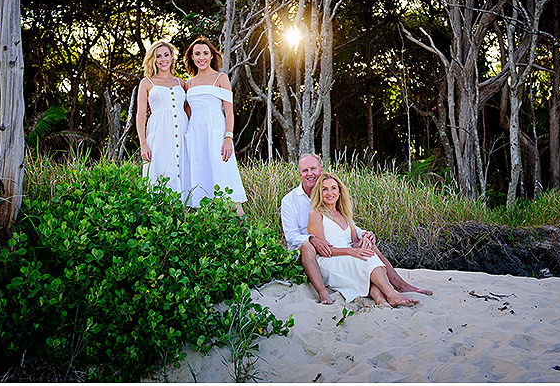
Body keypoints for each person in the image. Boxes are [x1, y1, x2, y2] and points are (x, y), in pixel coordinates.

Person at [280, 154, 432, 304]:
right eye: (305, 170)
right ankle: (323, 292)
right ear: (300, 173)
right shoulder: (290, 201)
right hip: (310, 252)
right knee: (308, 246)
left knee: (368, 247)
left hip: (335, 248)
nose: (310, 173)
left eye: (313, 168)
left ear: (320, 169)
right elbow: (291, 236)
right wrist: (311, 239)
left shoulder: (337, 208)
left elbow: (341, 227)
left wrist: (364, 234)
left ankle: (398, 287)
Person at [307, 173, 420, 307]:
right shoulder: (316, 214)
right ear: (319, 192)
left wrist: (365, 239)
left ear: (339, 191)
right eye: (324, 189)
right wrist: (351, 252)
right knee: (369, 259)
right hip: (330, 260)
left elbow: (354, 242)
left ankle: (380, 300)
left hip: (348, 256)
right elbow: (323, 251)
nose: (329, 193)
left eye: (333, 188)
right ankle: (392, 294)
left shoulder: (344, 214)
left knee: (369, 251)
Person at [183, 36, 247, 215]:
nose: (201, 57)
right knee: (201, 178)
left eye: (205, 53)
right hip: (196, 137)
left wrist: (228, 137)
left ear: (211, 56)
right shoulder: (188, 83)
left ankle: (245, 232)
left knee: (224, 177)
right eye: (197, 54)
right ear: (192, 58)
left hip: (217, 135)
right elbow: (187, 112)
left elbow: (229, 112)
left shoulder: (221, 78)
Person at [135, 40, 190, 200]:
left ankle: (184, 214)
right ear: (153, 59)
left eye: (166, 55)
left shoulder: (181, 83)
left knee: (182, 169)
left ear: (172, 57)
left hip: (181, 132)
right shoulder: (147, 82)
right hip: (158, 134)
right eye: (158, 56)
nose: (163, 59)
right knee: (160, 170)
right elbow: (141, 115)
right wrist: (143, 143)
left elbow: (188, 109)